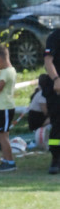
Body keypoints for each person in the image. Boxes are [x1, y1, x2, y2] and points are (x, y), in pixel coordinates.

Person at [0, 45, 16, 172]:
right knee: (2, 135)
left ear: (0, 59)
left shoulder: (6, 72)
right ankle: (5, 159)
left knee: (3, 136)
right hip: (3, 107)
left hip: (5, 107)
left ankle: (10, 161)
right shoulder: (9, 71)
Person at [42, 28, 60, 174]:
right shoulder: (54, 37)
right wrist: (56, 79)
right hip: (57, 89)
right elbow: (48, 61)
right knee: (57, 124)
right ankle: (56, 158)